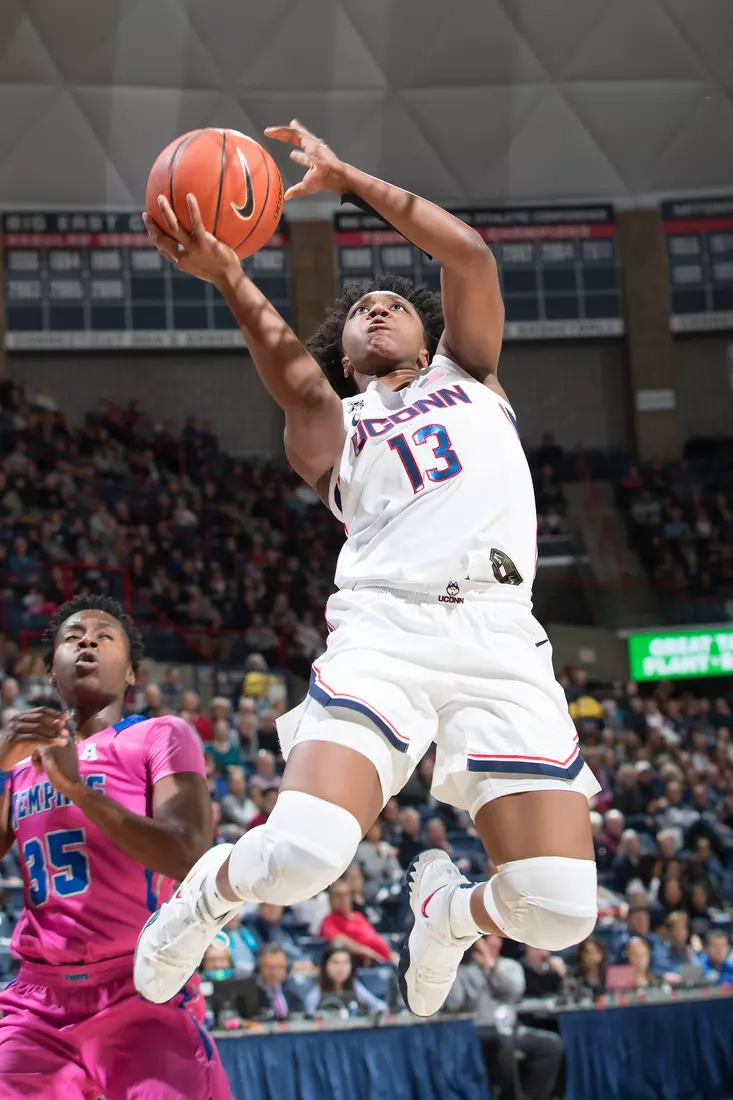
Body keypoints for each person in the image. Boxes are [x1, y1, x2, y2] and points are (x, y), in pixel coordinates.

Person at [135, 120, 599, 1017]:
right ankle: (207, 894)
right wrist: (231, 274)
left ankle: (447, 913)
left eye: (392, 304)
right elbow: (296, 382)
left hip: (503, 638)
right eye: (358, 313)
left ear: (426, 337)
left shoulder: (472, 377)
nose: (377, 307)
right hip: (387, 631)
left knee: (558, 911)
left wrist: (348, 180)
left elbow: (464, 254)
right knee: (305, 856)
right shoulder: (332, 425)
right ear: (343, 356)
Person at [0, 595, 232, 1099]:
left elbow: (188, 854)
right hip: (36, 1002)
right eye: (72, 636)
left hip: (139, 983)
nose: (86, 639)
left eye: (104, 636)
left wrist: (79, 792)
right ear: (52, 672)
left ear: (130, 674)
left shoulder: (160, 735)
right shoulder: (19, 766)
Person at [445, 935, 564, 1100]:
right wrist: (453, 967)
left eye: (498, 939)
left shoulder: (510, 966)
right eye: (488, 939)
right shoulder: (464, 970)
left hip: (512, 1028)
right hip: (478, 1031)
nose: (495, 943)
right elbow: (454, 1003)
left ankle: (534, 1097)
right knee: (503, 1040)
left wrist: (492, 967)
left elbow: (515, 990)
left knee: (552, 1044)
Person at [320, 879, 396, 965]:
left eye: (346, 895)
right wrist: (365, 952)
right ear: (331, 900)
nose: (343, 899)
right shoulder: (329, 920)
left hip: (387, 959)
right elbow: (338, 940)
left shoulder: (358, 916)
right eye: (338, 896)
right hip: (369, 963)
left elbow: (374, 937)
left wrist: (391, 955)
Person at [304, 943, 389, 1016]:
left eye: (345, 963)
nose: (340, 968)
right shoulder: (315, 995)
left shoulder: (356, 987)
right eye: (335, 962)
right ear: (325, 966)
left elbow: (379, 1005)